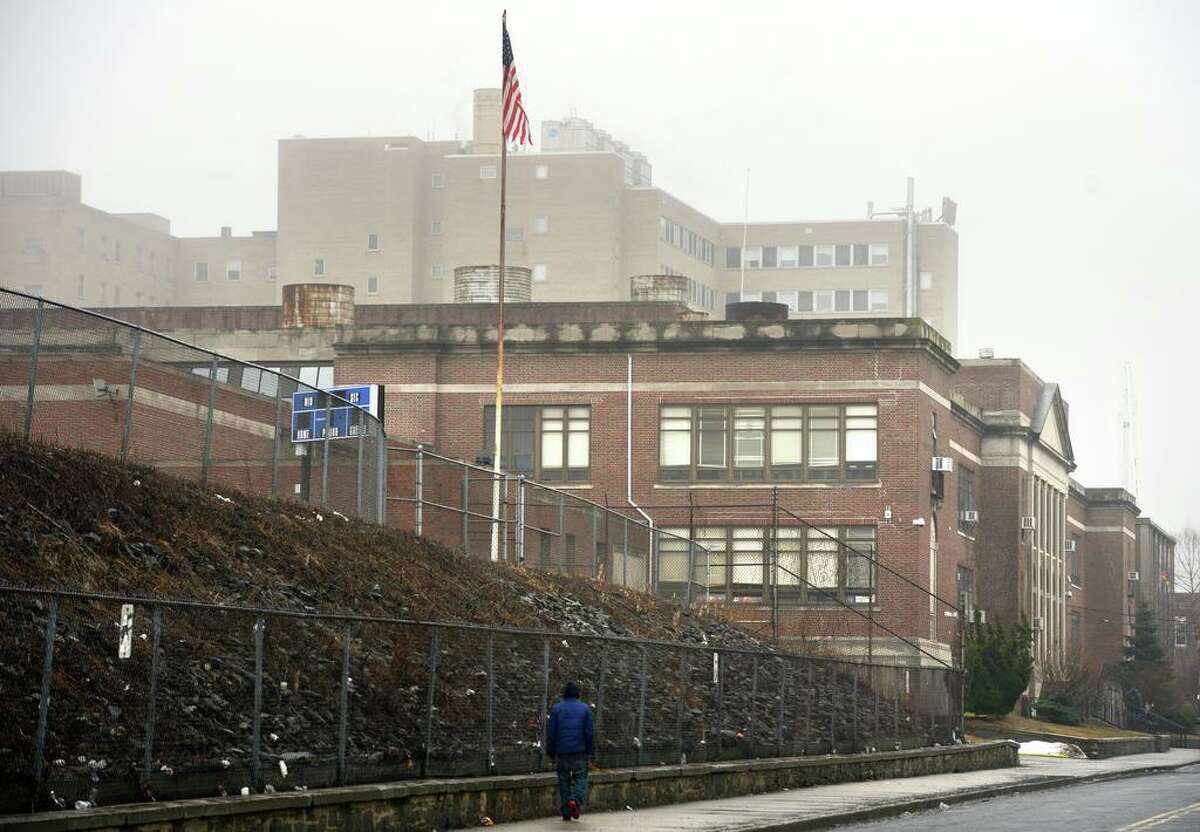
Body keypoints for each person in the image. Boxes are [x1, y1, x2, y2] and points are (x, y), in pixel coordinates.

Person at [545, 680, 593, 821]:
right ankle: (575, 800)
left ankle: (566, 811)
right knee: (580, 778)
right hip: (579, 751)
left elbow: (551, 733)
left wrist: (551, 751)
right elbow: (589, 732)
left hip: (562, 751)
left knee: (564, 780)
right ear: (578, 694)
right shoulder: (585, 709)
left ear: (565, 693)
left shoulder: (556, 709)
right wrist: (589, 750)